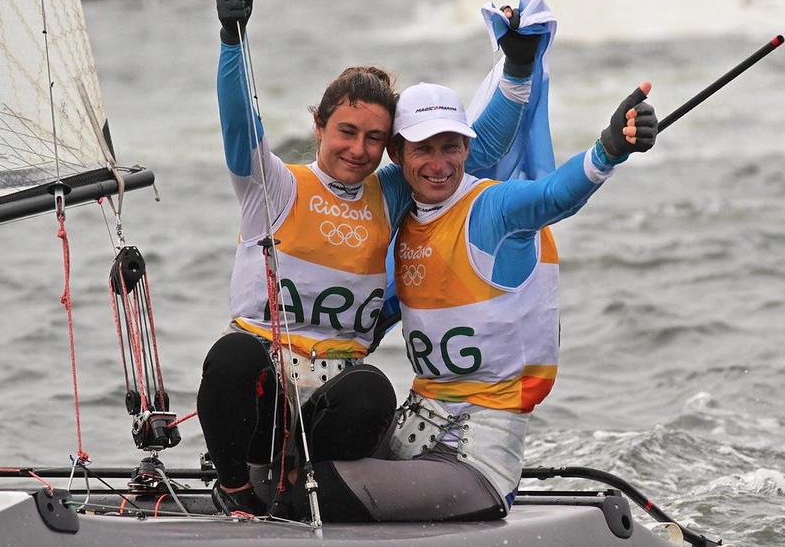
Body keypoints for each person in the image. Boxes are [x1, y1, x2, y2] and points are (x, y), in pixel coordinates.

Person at [197, 0, 546, 516]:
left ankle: (303, 493)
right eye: (346, 132)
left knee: (373, 392)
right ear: (319, 126)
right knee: (231, 356)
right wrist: (232, 40)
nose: (358, 150)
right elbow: (241, 127)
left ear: (390, 147)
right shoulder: (274, 186)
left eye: (374, 138)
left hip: (331, 412)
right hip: (265, 400)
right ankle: (236, 493)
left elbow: (472, 152)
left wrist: (518, 69)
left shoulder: (391, 192)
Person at [271, 75, 658, 522]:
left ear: (467, 150)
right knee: (293, 464)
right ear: (397, 155)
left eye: (451, 147)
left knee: (313, 492)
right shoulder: (404, 224)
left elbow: (554, 196)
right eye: (423, 149)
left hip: (474, 462)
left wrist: (609, 150)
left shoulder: (494, 210)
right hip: (412, 434)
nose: (439, 164)